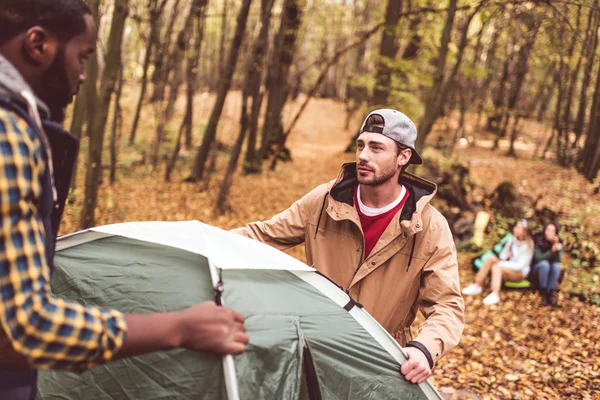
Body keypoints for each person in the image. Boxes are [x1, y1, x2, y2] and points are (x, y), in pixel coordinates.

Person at [0, 1, 248, 398]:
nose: (83, 75)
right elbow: (20, 327)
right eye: (81, 57)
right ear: (38, 44)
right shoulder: (9, 133)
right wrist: (180, 327)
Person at [234, 109, 465, 384]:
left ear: (403, 157)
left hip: (381, 364)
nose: (363, 155)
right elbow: (261, 235)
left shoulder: (429, 227)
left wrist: (424, 349)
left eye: (376, 147)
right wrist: (193, 243)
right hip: (315, 352)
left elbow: (447, 305)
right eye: (361, 145)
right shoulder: (324, 200)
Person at [462, 219, 534, 305]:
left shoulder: (529, 245)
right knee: (490, 258)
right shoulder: (512, 239)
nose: (515, 229)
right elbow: (502, 255)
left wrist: (502, 264)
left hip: (519, 273)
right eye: (516, 226)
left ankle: (495, 293)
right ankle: (477, 284)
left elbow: (520, 266)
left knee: (497, 267)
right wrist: (506, 256)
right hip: (507, 265)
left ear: (524, 232)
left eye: (518, 227)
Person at [532, 222, 563, 306]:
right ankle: (543, 292)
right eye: (548, 230)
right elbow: (538, 257)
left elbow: (558, 260)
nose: (550, 233)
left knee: (556, 266)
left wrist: (557, 248)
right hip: (537, 270)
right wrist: (551, 251)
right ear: (544, 231)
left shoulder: (557, 242)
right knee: (544, 264)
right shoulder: (538, 240)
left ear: (555, 233)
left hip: (550, 270)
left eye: (552, 231)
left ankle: (551, 292)